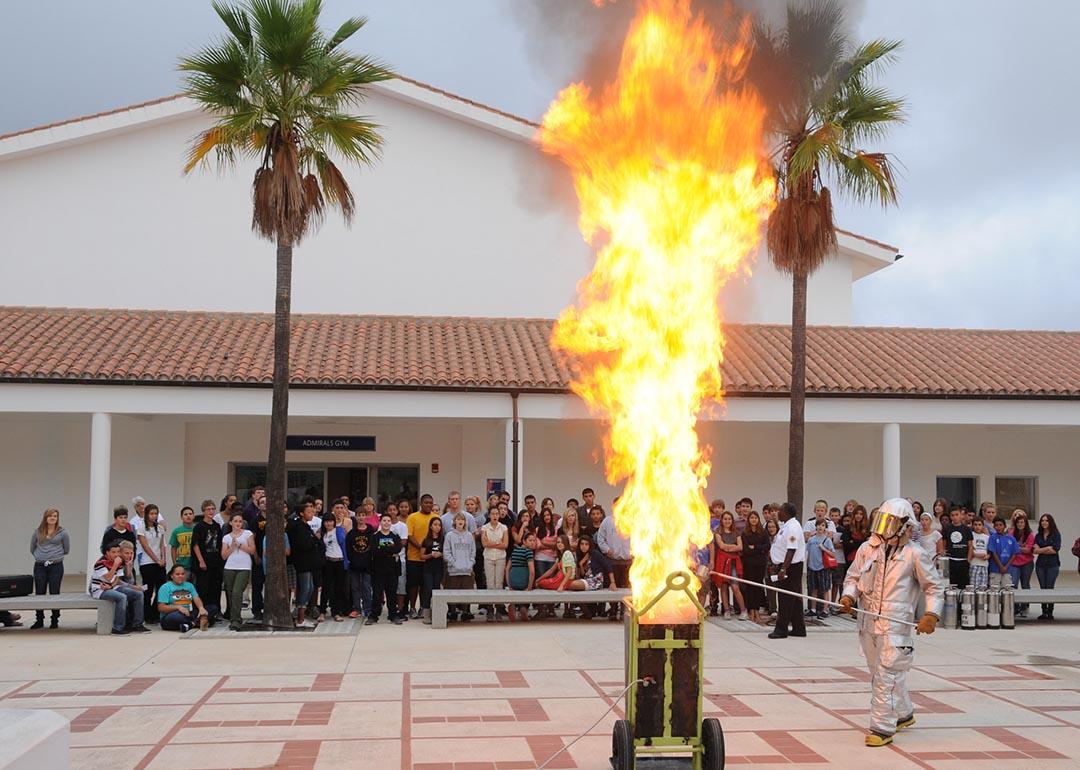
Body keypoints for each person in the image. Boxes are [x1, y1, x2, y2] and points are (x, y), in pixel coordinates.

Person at [839, 498, 944, 748]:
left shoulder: (915, 554)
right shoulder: (868, 548)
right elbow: (853, 577)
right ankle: (904, 714)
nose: (883, 527)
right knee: (880, 672)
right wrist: (848, 595)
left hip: (896, 625)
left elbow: (934, 588)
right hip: (867, 622)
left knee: (884, 676)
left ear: (905, 526)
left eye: (890, 522)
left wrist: (931, 614)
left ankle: (882, 727)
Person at [90, 541, 150, 635]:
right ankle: (118, 628)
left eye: (118, 552)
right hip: (99, 590)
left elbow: (116, 579)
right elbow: (108, 577)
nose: (116, 554)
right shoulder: (100, 563)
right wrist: (115, 565)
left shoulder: (120, 562)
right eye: (113, 552)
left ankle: (137, 624)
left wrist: (111, 586)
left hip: (112, 587)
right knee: (122, 597)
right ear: (107, 553)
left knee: (138, 594)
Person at [768, 502, 806, 640]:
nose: (778, 513)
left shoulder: (793, 528)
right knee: (794, 598)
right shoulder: (787, 526)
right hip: (785, 565)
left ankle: (781, 629)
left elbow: (791, 549)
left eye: (781, 511)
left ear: (787, 513)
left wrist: (783, 568)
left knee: (785, 598)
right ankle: (799, 628)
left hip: (791, 567)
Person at [30, 508, 69, 630]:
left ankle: (54, 620)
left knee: (54, 592)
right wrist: (40, 556)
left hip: (56, 565)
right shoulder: (38, 532)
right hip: (40, 565)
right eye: (50, 516)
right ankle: (39, 620)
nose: (53, 518)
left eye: (55, 516)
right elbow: (32, 548)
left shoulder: (62, 532)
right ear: (45, 518)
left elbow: (66, 549)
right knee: (40, 592)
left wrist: (55, 556)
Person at [285, 500, 321, 628]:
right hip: (302, 562)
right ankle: (300, 619)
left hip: (308, 562)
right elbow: (303, 545)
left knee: (310, 587)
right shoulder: (299, 527)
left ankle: (302, 615)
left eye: (313, 510)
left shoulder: (305, 525)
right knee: (305, 588)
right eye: (309, 511)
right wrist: (315, 538)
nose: (312, 513)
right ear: (301, 513)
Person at [595, 503, 632, 621]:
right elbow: (600, 539)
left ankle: (624, 610)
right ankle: (613, 609)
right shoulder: (607, 521)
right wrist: (607, 550)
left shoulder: (632, 521)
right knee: (613, 587)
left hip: (628, 561)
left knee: (626, 587)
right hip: (613, 561)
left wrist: (634, 550)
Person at [220, 512, 255, 631]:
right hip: (230, 567)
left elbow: (252, 549)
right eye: (235, 521)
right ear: (230, 523)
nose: (238, 524)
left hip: (244, 567)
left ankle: (236, 620)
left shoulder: (247, 534)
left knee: (237, 592)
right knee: (230, 593)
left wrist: (240, 545)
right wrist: (232, 547)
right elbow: (224, 556)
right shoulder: (226, 537)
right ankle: (233, 616)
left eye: (240, 521)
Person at [405, 494, 438, 619]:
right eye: (426, 502)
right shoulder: (412, 517)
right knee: (413, 584)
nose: (428, 505)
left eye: (431, 503)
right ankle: (412, 608)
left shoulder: (435, 517)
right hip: (414, 557)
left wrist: (429, 552)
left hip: (429, 558)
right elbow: (409, 535)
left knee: (426, 585)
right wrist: (421, 547)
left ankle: (423, 608)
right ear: (421, 503)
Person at [368, 513, 403, 625]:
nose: (386, 523)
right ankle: (374, 616)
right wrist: (389, 551)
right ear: (380, 522)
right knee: (377, 594)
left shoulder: (395, 536)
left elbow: (397, 549)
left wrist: (382, 548)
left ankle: (393, 615)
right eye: (384, 520)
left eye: (388, 520)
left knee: (392, 593)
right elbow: (374, 551)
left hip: (392, 570)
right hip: (378, 570)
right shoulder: (375, 536)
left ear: (391, 523)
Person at [192, 500, 225, 619]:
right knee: (203, 589)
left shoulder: (217, 525)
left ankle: (215, 611)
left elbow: (220, 543)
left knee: (215, 589)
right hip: (204, 563)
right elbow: (195, 544)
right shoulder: (199, 526)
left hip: (215, 562)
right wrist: (201, 560)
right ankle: (202, 612)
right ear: (203, 511)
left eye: (212, 509)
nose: (211, 511)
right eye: (208, 509)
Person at [136, 504, 168, 624]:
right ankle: (146, 614)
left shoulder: (159, 528)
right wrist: (156, 560)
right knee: (148, 590)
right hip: (147, 562)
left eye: (155, 514)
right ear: (146, 514)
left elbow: (162, 544)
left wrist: (163, 558)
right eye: (151, 514)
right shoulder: (141, 527)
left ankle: (155, 613)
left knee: (161, 588)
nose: (153, 516)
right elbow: (145, 546)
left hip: (160, 563)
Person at [712, 511, 746, 620]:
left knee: (735, 587)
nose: (727, 521)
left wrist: (728, 547)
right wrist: (732, 546)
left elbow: (740, 547)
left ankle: (743, 610)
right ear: (722, 520)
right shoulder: (718, 532)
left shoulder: (736, 533)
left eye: (729, 519)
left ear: (732, 521)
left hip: (733, 562)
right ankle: (727, 610)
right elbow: (721, 546)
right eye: (725, 519)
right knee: (724, 586)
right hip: (722, 561)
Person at [157, 563, 210, 632]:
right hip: (172, 615)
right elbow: (161, 608)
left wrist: (201, 608)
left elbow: (196, 598)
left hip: (189, 613)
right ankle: (199, 621)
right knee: (179, 617)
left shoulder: (189, 585)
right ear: (172, 576)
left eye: (183, 574)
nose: (180, 576)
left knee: (212, 608)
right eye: (177, 574)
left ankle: (190, 624)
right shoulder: (165, 587)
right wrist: (178, 607)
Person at [444, 511, 476, 622]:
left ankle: (465, 611)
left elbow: (473, 551)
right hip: (454, 570)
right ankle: (452, 611)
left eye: (462, 520)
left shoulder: (469, 536)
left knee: (467, 592)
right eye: (458, 519)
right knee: (453, 592)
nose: (460, 521)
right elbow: (446, 552)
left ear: (465, 522)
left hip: (467, 570)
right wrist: (453, 563)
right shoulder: (449, 535)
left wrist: (470, 563)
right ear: (454, 522)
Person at [318, 513, 349, 622]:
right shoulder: (322, 533)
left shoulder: (339, 530)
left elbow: (342, 539)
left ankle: (336, 612)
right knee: (326, 588)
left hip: (340, 562)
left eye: (331, 521)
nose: (329, 523)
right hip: (328, 562)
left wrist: (340, 522)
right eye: (326, 521)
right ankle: (322, 611)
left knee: (338, 588)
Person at [481, 502, 509, 622]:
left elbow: (505, 544)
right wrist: (498, 543)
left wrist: (493, 544)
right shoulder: (484, 528)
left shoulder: (503, 528)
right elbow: (484, 544)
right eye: (493, 513)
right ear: (489, 515)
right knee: (490, 583)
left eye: (497, 513)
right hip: (488, 557)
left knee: (499, 583)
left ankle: (498, 608)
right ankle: (490, 609)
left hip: (500, 557)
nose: (495, 516)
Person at [740, 511, 768, 624]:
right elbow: (746, 550)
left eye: (755, 518)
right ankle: (751, 611)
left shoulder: (763, 532)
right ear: (749, 520)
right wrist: (759, 550)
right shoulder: (745, 533)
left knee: (758, 587)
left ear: (758, 519)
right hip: (749, 564)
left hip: (761, 564)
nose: (753, 520)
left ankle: (757, 611)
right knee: (750, 587)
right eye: (751, 518)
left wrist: (755, 547)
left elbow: (767, 546)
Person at [345, 515, 375, 619]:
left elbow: (373, 547)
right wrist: (351, 560)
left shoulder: (371, 532)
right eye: (359, 515)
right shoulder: (351, 533)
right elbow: (348, 548)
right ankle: (357, 608)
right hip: (354, 564)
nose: (361, 517)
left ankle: (367, 609)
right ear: (356, 517)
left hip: (368, 564)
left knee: (366, 587)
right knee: (355, 587)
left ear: (366, 517)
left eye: (363, 515)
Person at [805, 518, 835, 619]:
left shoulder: (827, 540)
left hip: (823, 567)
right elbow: (808, 553)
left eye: (822, 525)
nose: (820, 527)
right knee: (813, 589)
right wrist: (808, 565)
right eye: (818, 525)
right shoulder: (811, 540)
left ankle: (825, 609)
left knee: (825, 589)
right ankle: (813, 609)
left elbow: (833, 554)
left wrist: (824, 549)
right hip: (812, 567)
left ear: (825, 528)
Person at [1033, 513, 1061, 621]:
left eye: (1046, 520)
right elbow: (1035, 551)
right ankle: (1044, 612)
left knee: (1050, 588)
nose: (1044, 522)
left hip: (1052, 565)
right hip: (1040, 565)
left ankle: (1050, 612)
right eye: (1042, 520)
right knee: (1042, 588)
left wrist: (1041, 549)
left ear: (1050, 522)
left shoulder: (1056, 534)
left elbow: (1055, 550)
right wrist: (1047, 548)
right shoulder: (1038, 535)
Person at [1008, 511, 1036, 617]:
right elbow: (1010, 547)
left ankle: (1025, 607)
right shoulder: (1011, 533)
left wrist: (1017, 548)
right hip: (1014, 563)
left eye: (1022, 522)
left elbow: (1028, 550)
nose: (1020, 524)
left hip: (1027, 563)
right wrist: (1021, 549)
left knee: (1025, 585)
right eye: (1018, 522)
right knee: (1013, 584)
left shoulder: (1030, 534)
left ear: (1026, 523)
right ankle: (1015, 607)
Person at [506, 529, 537, 622]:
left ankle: (512, 605)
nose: (532, 543)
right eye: (530, 540)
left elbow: (507, 569)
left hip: (513, 580)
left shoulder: (515, 551)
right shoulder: (528, 552)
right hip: (523, 581)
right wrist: (529, 587)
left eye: (534, 540)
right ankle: (524, 608)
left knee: (515, 591)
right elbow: (532, 572)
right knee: (527, 591)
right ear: (524, 541)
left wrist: (509, 585)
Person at [419, 516, 445, 624]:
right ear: (430, 526)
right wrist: (430, 555)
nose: (437, 527)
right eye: (435, 525)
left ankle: (436, 612)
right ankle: (426, 614)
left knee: (436, 589)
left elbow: (447, 552)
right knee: (428, 589)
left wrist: (441, 554)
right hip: (428, 568)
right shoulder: (426, 540)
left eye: (439, 525)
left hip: (439, 568)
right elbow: (422, 556)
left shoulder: (443, 539)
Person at [941, 506, 972, 588]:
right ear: (950, 516)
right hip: (951, 561)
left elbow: (970, 546)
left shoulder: (967, 529)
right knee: (951, 586)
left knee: (963, 586)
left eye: (956, 514)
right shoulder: (946, 528)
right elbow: (944, 545)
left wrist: (968, 560)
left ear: (961, 515)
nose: (955, 517)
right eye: (952, 515)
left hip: (963, 561)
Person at [987, 517, 1019, 589]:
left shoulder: (1011, 538)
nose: (998, 527)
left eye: (1000, 525)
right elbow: (993, 553)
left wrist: (1006, 567)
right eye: (996, 525)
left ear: (1005, 526)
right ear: (994, 527)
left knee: (1006, 590)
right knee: (994, 590)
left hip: (1007, 569)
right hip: (995, 569)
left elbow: (1014, 553)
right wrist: (1001, 566)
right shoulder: (992, 537)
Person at [169, 506, 196, 575]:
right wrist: (175, 563)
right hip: (182, 565)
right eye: (185, 514)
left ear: (194, 516)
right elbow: (173, 548)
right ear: (181, 517)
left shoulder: (198, 529)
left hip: (196, 565)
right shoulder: (177, 531)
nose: (188, 516)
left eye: (190, 514)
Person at [763, 519, 781, 619]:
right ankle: (772, 607)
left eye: (773, 527)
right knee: (769, 587)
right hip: (767, 565)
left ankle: (780, 608)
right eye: (769, 527)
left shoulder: (780, 538)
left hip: (777, 565)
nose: (771, 529)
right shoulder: (765, 538)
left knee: (778, 587)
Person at [968, 518, 990, 589]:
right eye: (975, 525)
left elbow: (989, 551)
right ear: (972, 526)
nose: (977, 527)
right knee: (974, 586)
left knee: (983, 587)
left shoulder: (987, 537)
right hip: (974, 564)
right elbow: (970, 548)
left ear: (983, 526)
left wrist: (988, 556)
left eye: (979, 525)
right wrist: (976, 555)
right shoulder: (971, 535)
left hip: (984, 565)